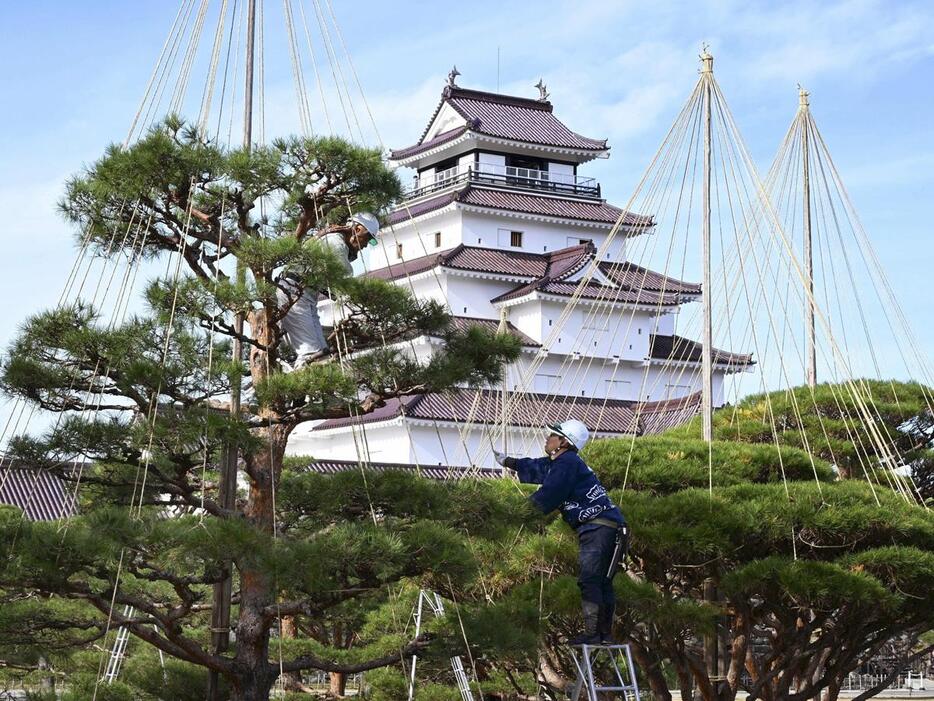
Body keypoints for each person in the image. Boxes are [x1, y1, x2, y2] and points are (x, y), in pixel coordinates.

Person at [495, 420, 629, 645]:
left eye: (553, 436)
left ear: (564, 442)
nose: (547, 439)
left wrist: (517, 513)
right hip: (609, 527)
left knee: (590, 580)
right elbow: (539, 467)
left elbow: (551, 492)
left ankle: (593, 634)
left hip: (599, 528)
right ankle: (604, 635)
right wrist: (509, 462)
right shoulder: (564, 462)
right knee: (601, 582)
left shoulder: (566, 463)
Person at [277, 211, 380, 368]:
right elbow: (344, 282)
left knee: (321, 352)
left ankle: (306, 384)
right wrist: (370, 299)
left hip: (304, 295)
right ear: (357, 229)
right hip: (294, 294)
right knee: (310, 354)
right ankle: (299, 387)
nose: (366, 245)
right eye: (367, 238)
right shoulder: (336, 243)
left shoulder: (335, 240)